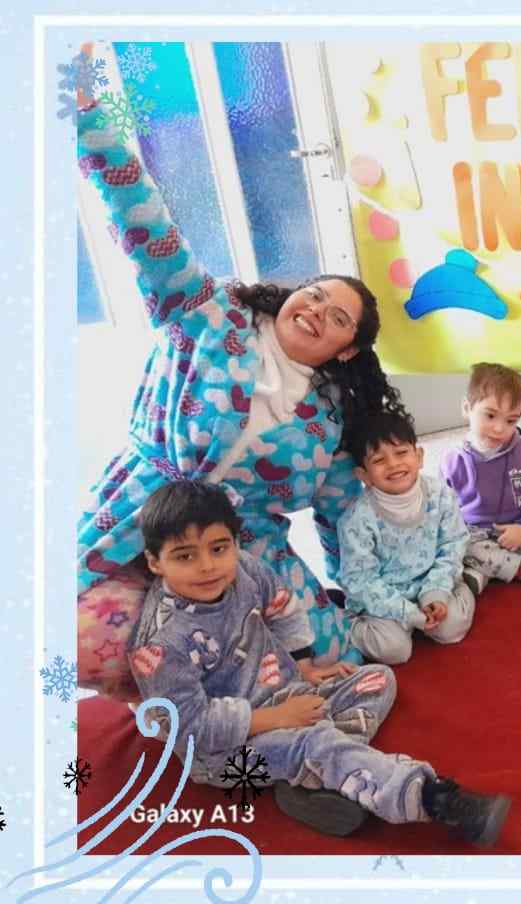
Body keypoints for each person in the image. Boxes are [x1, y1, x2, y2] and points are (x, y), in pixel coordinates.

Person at [75, 71, 407, 696]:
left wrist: (372, 588)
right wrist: (90, 115)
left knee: (337, 656)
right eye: (315, 295)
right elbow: (141, 217)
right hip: (140, 514)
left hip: (242, 549)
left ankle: (241, 698)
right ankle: (176, 700)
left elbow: (341, 510)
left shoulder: (329, 416)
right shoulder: (205, 312)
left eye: (338, 318)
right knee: (85, 638)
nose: (317, 311)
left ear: (348, 349)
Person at [129, 480, 510, 844]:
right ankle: (433, 799)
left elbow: (283, 608)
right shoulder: (159, 645)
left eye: (218, 548)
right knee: (314, 740)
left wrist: (304, 665)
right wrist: (276, 719)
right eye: (185, 556)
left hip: (286, 696)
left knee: (378, 678)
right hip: (222, 755)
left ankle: (316, 777)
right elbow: (188, 726)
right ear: (154, 562)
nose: (207, 566)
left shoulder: (244, 568)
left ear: (234, 542)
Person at [337, 410, 474, 664]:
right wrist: (406, 612)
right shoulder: (356, 519)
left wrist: (436, 593)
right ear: (363, 475)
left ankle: (464, 585)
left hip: (431, 581)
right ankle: (346, 624)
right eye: (379, 460)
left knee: (451, 629)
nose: (393, 464)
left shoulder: (440, 494)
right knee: (395, 651)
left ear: (419, 456)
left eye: (401, 453)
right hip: (385, 599)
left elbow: (453, 543)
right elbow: (360, 579)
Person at [440, 363, 521, 592]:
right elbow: (443, 512)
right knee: (459, 544)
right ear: (467, 408)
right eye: (490, 415)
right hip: (478, 534)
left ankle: (488, 570)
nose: (499, 429)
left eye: (510, 420)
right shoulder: (451, 460)